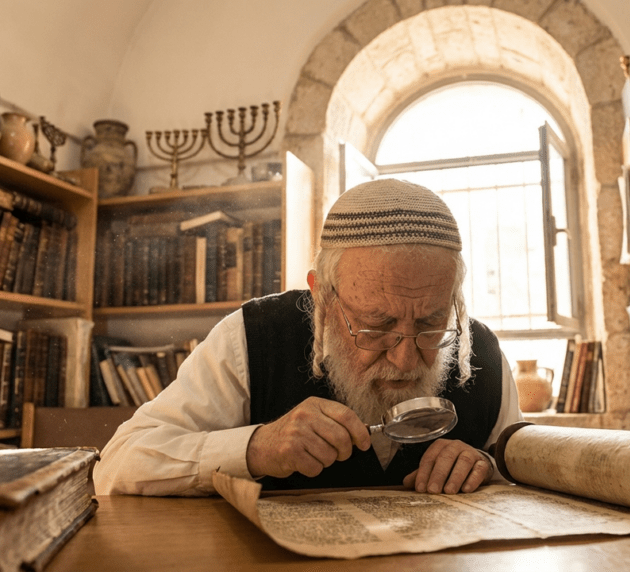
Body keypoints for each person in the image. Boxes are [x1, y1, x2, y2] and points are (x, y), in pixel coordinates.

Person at [93, 178, 523, 496]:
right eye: (376, 326)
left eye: (431, 326)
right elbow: (118, 464)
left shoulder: (480, 349)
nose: (407, 361)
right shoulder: (253, 336)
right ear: (321, 295)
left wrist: (487, 465)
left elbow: (524, 464)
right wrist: (254, 448)